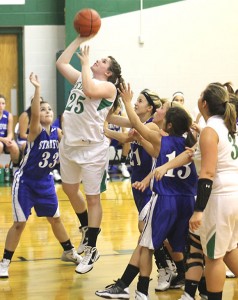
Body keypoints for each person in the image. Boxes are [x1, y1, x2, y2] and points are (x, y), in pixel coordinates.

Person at [0, 73, 82, 279]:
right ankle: (4, 263)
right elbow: (35, 115)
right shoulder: (35, 130)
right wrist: (37, 89)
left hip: (45, 182)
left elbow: (70, 146)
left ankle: (68, 251)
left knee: (55, 219)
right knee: (20, 224)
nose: (46, 111)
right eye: (43, 108)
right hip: (26, 182)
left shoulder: (58, 132)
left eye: (49, 109)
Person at [56, 35, 124, 274]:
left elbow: (89, 88)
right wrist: (77, 39)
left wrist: (85, 63)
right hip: (70, 145)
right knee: (69, 189)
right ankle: (87, 228)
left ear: (109, 72)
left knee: (93, 197)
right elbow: (61, 64)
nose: (98, 60)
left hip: (92, 148)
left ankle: (92, 248)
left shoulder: (108, 87)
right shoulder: (81, 78)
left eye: (103, 61)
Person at [187, 83, 238, 300]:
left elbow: (207, 173)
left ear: (204, 103)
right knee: (228, 249)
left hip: (219, 198)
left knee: (213, 257)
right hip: (234, 193)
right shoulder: (230, 127)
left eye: (200, 95)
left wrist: (199, 210)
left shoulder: (210, 130)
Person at [107, 101, 131, 179]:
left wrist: (123, 136)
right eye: (115, 108)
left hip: (117, 138)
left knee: (127, 141)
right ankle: (104, 168)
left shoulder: (122, 114)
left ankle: (122, 164)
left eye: (118, 107)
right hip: (108, 138)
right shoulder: (107, 115)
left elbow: (125, 131)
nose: (117, 110)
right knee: (106, 141)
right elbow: (104, 131)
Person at [0, 94, 20, 164]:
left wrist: (8, 139)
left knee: (14, 147)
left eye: (3, 103)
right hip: (1, 140)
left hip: (5, 139)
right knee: (0, 145)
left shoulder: (8, 115)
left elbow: (10, 132)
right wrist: (3, 140)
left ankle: (14, 167)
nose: (1, 106)